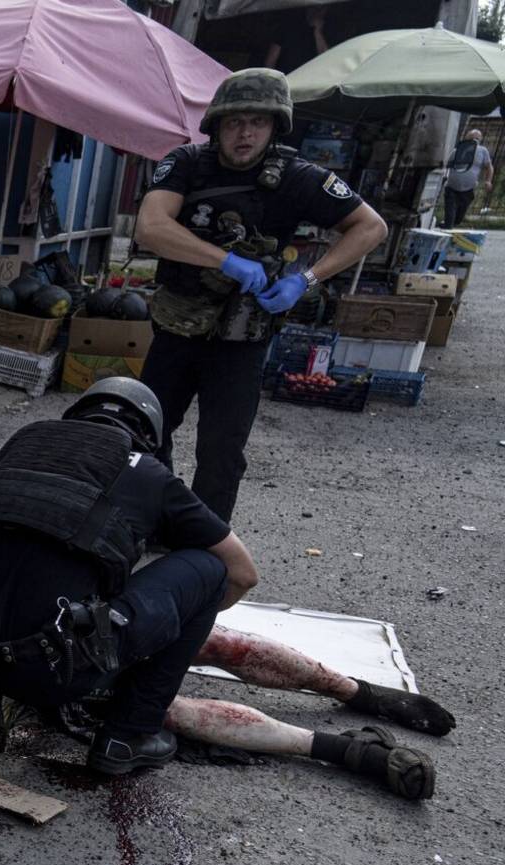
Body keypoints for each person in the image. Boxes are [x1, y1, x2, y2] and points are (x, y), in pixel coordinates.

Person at [0, 514, 450, 801]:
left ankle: (357, 690)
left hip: (43, 608)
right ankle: (338, 746)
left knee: (213, 642)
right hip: (19, 645)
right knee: (164, 702)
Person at [0, 378, 269, 779]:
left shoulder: (27, 439)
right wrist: (171, 624)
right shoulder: (150, 474)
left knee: (8, 562)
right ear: (147, 436)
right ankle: (129, 734)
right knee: (210, 571)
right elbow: (243, 573)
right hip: (50, 673)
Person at [134, 68, 386, 520]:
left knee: (222, 450)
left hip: (243, 337)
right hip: (178, 324)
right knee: (145, 430)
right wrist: (223, 259)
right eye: (234, 122)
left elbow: (370, 227)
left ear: (274, 126)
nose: (245, 132)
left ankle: (203, 547)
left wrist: (306, 279)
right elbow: (151, 227)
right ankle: (149, 519)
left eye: (258, 121)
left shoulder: (298, 177)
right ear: (217, 126)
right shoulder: (188, 163)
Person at [444, 129, 494, 228]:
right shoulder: (457, 151)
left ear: (480, 140)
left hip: (468, 189)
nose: (474, 141)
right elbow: (447, 165)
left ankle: (451, 225)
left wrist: (488, 181)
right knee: (450, 217)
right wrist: (445, 176)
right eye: (471, 138)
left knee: (459, 217)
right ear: (466, 139)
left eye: (477, 139)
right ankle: (447, 227)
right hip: (452, 188)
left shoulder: (483, 151)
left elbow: (489, 167)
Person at [263, 5, 329, 71]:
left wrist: (317, 32)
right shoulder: (287, 27)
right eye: (314, 8)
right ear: (307, 7)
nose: (317, 13)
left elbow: (327, 61)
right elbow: (270, 62)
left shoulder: (327, 31)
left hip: (312, 78)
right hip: (288, 77)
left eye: (322, 8)